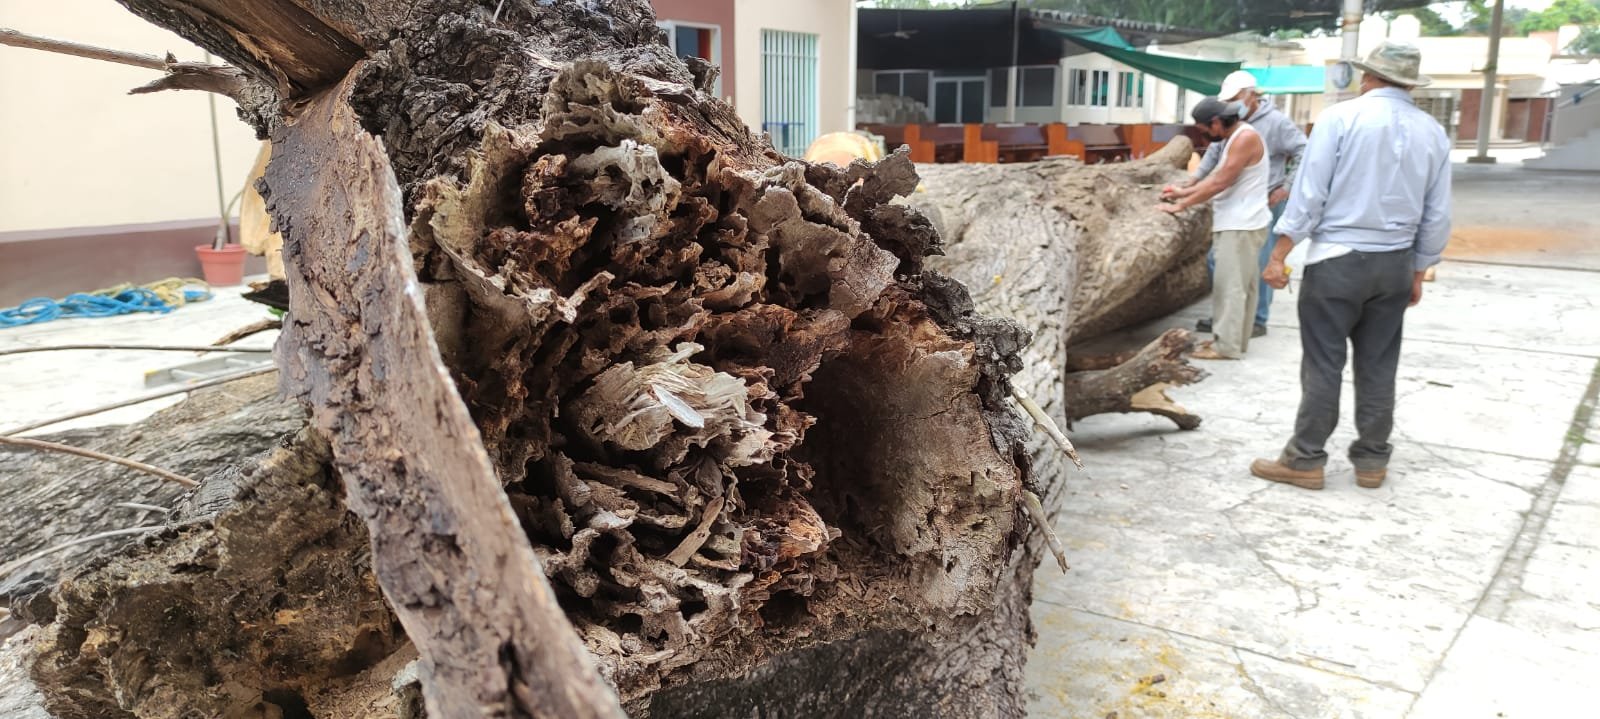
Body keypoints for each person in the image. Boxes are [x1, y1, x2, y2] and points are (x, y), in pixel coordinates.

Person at [1249, 41, 1452, 490]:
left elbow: (1309, 193)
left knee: (1324, 363)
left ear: (1368, 77)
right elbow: (1437, 212)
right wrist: (1418, 270)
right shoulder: (1432, 131)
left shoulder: (1341, 118)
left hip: (1338, 260)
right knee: (1379, 364)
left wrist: (1279, 253)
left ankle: (1306, 460)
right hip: (1395, 262)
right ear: (1409, 83)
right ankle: (1372, 462)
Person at [1188, 70, 1308, 339]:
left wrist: (1286, 187)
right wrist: (1193, 180)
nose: (1231, 104)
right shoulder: (1230, 124)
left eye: (1235, 98)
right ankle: (1228, 316)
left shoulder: (1276, 123)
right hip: (1234, 205)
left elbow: (1304, 150)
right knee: (1217, 262)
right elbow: (1213, 154)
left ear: (1251, 96)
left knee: (1260, 262)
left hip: (1264, 201)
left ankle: (1257, 319)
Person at [1158, 97, 1271, 360]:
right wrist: (1184, 190)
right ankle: (1233, 340)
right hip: (1241, 223)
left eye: (1204, 129)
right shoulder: (1235, 137)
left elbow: (1220, 182)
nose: (1205, 136)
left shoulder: (1244, 138)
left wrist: (1181, 204)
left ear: (1217, 122)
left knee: (1229, 287)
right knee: (1241, 286)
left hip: (1240, 225)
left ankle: (1226, 346)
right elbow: (1216, 180)